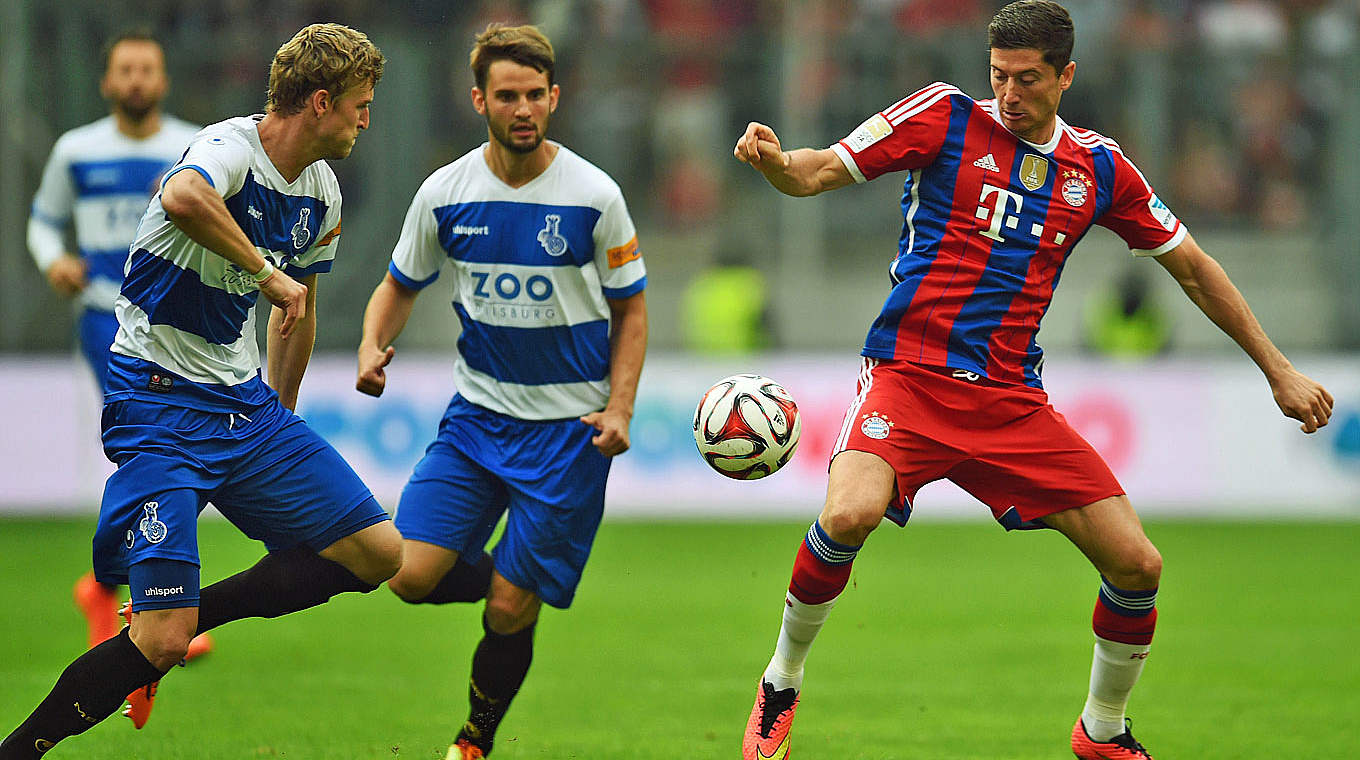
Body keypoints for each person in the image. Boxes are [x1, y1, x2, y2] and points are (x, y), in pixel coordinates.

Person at [731, 2, 1334, 759]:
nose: (1008, 95)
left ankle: (1102, 731)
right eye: (998, 77)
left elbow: (1194, 269)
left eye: (1027, 80)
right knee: (848, 516)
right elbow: (817, 172)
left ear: (1066, 76)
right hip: (909, 379)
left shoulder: (1099, 169)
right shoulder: (943, 117)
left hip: (1011, 402)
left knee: (1138, 564)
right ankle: (781, 681)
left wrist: (1277, 370)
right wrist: (777, 164)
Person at [2, 23, 401, 759]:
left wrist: (281, 414)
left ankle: (197, 611)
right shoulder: (228, 148)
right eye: (360, 105)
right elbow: (184, 197)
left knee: (378, 554)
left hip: (244, 408)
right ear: (320, 102)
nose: (365, 119)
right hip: (156, 403)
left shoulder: (321, 193)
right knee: (161, 640)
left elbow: (296, 311)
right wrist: (264, 270)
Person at [355, 23, 647, 760]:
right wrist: (370, 342)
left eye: (535, 95)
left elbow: (631, 308)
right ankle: (514, 577)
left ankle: (473, 738)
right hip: (477, 422)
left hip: (567, 435)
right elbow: (397, 285)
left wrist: (619, 407)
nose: (523, 109)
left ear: (555, 97)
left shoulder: (592, 196)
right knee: (407, 574)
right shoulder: (445, 192)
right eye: (506, 95)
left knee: (510, 611)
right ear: (478, 99)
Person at [26, 30, 211, 658]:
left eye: (147, 69)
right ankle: (153, 600)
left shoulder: (192, 147)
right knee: (154, 443)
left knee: (165, 446)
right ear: (107, 82)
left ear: (162, 81)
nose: (136, 80)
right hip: (106, 316)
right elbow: (44, 220)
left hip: (178, 320)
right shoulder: (76, 150)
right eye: (125, 70)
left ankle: (112, 588)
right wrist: (54, 260)